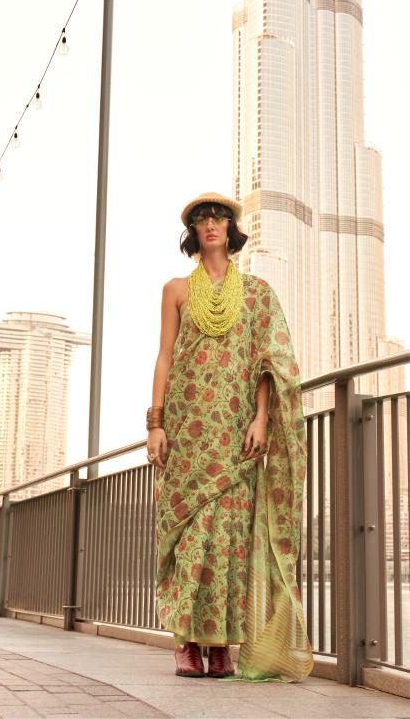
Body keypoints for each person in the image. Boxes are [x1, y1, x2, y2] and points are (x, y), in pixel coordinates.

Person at [147, 192, 313, 682]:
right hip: (187, 429)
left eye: (219, 217)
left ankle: (220, 643)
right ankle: (186, 641)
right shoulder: (177, 289)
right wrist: (156, 423)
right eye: (202, 219)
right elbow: (165, 357)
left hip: (235, 432)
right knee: (191, 535)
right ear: (193, 232)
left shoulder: (256, 293)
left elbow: (266, 363)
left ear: (231, 228)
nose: (211, 224)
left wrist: (261, 419)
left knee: (229, 539)